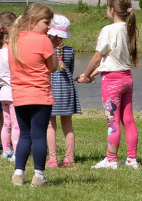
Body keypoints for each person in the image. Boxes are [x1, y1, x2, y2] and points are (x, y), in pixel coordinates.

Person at [78, 0, 139, 170]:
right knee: (128, 120)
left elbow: (98, 57)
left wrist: (87, 75)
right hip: (127, 79)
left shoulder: (108, 30)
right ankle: (132, 160)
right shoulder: (129, 29)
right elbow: (110, 61)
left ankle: (111, 160)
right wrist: (89, 75)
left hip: (112, 83)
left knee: (112, 121)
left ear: (112, 10)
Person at [8, 3, 58, 187]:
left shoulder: (14, 39)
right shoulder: (43, 40)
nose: (48, 27)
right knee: (38, 136)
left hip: (20, 95)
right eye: (46, 23)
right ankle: (38, 175)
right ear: (32, 22)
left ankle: (18, 173)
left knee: (24, 135)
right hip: (40, 95)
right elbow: (53, 67)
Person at [46, 14, 81, 168]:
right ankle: (69, 158)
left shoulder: (46, 51)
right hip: (66, 91)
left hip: (51, 90)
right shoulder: (70, 51)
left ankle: (52, 159)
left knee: (50, 126)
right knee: (68, 125)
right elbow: (71, 70)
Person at [0, 11, 18, 161]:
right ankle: (16, 152)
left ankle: (6, 150)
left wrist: (1, 82)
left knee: (6, 124)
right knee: (16, 125)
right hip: (14, 93)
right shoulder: (13, 53)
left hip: (3, 93)